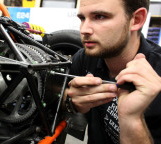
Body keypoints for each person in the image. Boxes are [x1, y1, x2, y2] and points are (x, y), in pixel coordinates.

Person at [65, 0, 161, 143]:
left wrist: (132, 120)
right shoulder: (85, 58)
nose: (84, 29)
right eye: (82, 18)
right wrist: (71, 101)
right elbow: (61, 98)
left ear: (136, 20)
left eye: (99, 16)